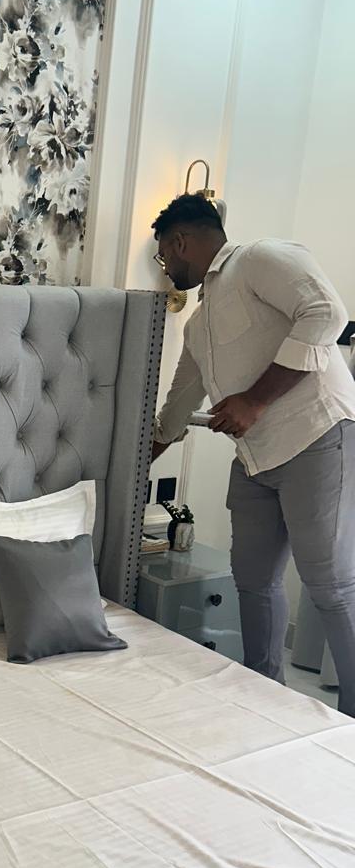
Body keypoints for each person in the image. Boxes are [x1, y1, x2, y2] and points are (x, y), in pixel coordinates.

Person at [150, 193, 355, 716]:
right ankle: (266, 700)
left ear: (181, 242)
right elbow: (179, 403)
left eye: (163, 256)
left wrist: (254, 400)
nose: (165, 267)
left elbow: (326, 313)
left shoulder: (259, 259)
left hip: (316, 439)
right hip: (256, 460)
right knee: (253, 582)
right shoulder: (198, 324)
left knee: (331, 586)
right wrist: (135, 461)